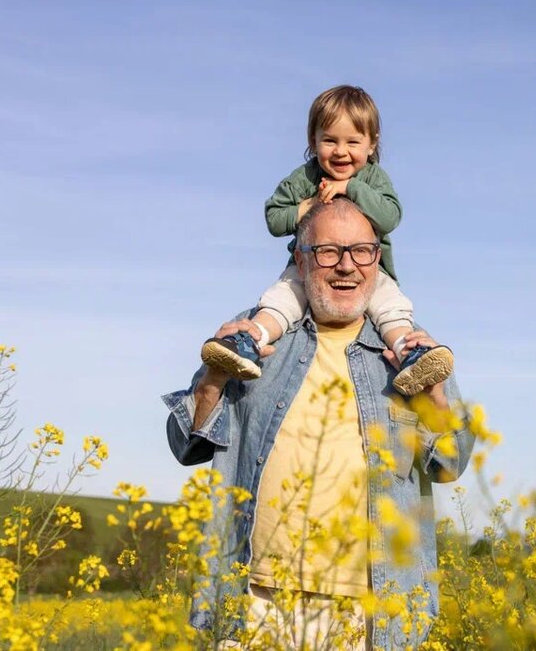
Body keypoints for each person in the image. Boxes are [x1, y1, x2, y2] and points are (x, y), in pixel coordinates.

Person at [162, 198, 474, 649]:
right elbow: (184, 444)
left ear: (377, 259)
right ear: (300, 259)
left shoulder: (411, 350)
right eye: (328, 251)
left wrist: (436, 401)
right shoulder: (255, 338)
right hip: (256, 599)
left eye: (362, 251)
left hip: (369, 611)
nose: (346, 266)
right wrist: (213, 380)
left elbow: (450, 465)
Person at [200, 85, 455, 397]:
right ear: (313, 141)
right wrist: (303, 209)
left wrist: (350, 188)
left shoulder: (373, 179)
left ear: (372, 144)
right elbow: (273, 219)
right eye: (330, 140)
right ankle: (250, 341)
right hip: (310, 266)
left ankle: (408, 353)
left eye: (353, 142)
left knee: (392, 310)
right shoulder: (303, 178)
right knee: (281, 300)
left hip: (370, 271)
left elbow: (390, 217)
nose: (340, 151)